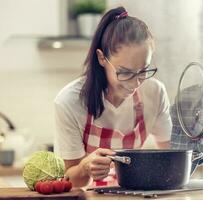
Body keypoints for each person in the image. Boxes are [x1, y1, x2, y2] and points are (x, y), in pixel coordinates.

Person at [54, 6, 172, 188]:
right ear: (102, 58)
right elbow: (71, 182)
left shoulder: (154, 92)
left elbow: (171, 158)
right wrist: (86, 167)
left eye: (143, 71)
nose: (135, 83)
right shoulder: (69, 102)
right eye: (125, 73)